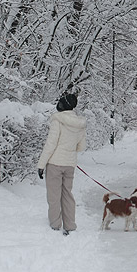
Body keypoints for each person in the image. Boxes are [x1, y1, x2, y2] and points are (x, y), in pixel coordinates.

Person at [37, 92, 86, 235]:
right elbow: (81, 147)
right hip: (70, 164)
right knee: (67, 194)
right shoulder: (80, 124)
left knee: (54, 195)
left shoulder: (58, 120)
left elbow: (50, 144)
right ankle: (70, 225)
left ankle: (55, 224)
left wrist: (41, 165)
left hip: (54, 163)